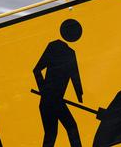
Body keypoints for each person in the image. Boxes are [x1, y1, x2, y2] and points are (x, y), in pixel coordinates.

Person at [33, 18, 84, 147]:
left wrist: (80, 96)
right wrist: (44, 90)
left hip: (56, 100)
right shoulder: (54, 46)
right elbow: (37, 70)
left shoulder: (71, 53)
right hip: (49, 101)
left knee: (56, 132)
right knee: (62, 130)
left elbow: (75, 77)